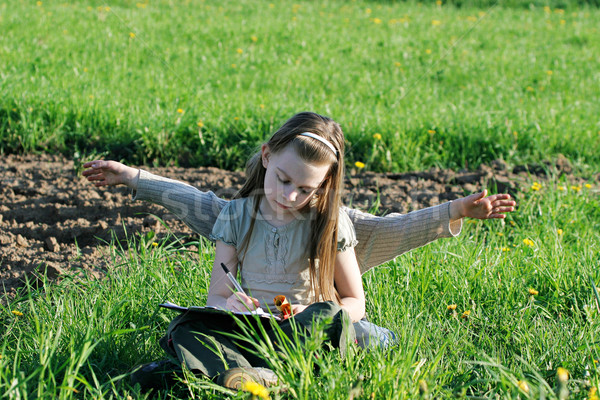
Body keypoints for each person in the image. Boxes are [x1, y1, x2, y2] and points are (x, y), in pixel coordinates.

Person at [82, 113, 515, 390]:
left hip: (308, 329)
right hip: (251, 329)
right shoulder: (236, 216)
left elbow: (358, 295)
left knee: (351, 328)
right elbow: (193, 216)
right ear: (267, 157)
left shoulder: (330, 222)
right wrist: (229, 303)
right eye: (284, 180)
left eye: (306, 189)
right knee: (188, 325)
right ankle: (254, 375)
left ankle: (228, 374)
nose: (289, 196)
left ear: (324, 186)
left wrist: (458, 209)